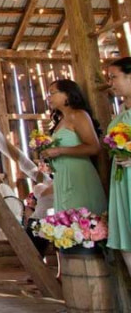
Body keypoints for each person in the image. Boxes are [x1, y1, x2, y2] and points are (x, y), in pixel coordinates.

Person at [40, 79, 107, 214]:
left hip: (78, 175)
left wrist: (59, 151)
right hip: (62, 176)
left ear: (67, 94)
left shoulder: (79, 115)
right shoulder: (60, 121)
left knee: (82, 222)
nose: (49, 98)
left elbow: (94, 147)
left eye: (52, 93)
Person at [105, 58, 131, 273]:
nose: (110, 82)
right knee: (127, 244)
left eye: (114, 77)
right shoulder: (121, 113)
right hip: (121, 181)